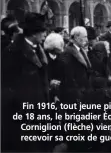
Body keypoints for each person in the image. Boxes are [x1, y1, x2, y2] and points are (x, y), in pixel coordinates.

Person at [2, 12, 49, 152]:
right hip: (22, 114)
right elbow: (7, 85)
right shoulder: (13, 52)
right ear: (34, 33)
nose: (45, 35)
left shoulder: (39, 50)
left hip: (39, 111)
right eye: (43, 32)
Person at [56, 26, 92, 152]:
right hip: (74, 96)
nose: (86, 39)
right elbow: (69, 77)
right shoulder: (68, 52)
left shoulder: (80, 50)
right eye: (84, 37)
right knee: (75, 124)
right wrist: (77, 94)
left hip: (82, 93)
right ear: (76, 37)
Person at [88, 41, 111, 151]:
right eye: (106, 49)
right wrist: (109, 80)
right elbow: (94, 79)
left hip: (107, 94)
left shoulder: (103, 60)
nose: (108, 51)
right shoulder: (95, 62)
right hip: (101, 96)